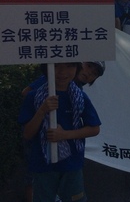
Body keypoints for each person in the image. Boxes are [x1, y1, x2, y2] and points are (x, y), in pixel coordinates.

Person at [18, 62, 101, 202]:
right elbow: (27, 133)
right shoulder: (34, 96)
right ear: (47, 68)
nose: (63, 71)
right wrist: (42, 110)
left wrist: (65, 135)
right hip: (42, 164)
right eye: (56, 66)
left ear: (77, 69)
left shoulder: (80, 96)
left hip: (72, 163)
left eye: (70, 66)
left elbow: (94, 129)